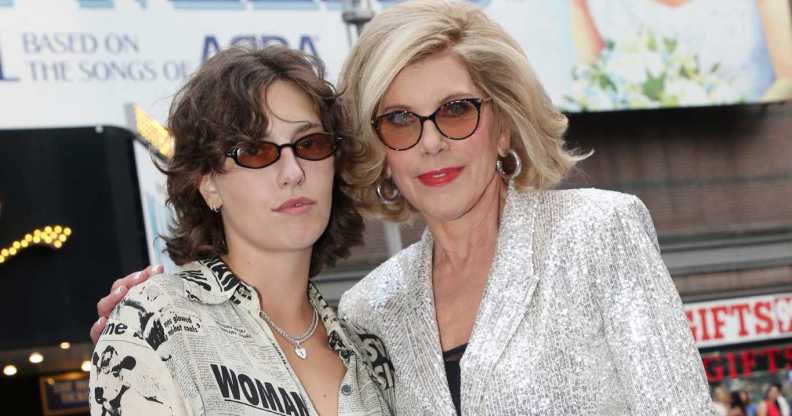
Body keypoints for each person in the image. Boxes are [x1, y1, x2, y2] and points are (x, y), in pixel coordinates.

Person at [91, 1, 715, 415]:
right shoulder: (374, 309)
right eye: (399, 120)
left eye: (456, 110)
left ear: (503, 124)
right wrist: (146, 325)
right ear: (379, 149)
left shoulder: (595, 233)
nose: (431, 141)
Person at [89, 45, 394, 415]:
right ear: (208, 184)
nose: (293, 172)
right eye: (255, 151)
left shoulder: (370, 355)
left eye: (310, 144)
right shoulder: (157, 326)